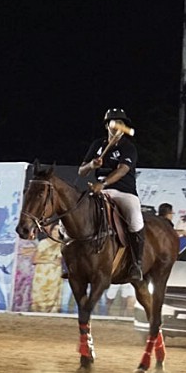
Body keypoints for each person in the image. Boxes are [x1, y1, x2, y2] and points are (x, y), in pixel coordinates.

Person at [79, 108, 144, 281]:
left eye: (120, 123)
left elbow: (123, 170)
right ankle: (72, 260)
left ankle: (136, 264)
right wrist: (92, 165)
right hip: (98, 190)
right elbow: (81, 171)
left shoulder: (128, 147)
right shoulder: (97, 145)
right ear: (107, 125)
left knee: (135, 219)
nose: (116, 126)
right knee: (75, 212)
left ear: (124, 127)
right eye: (113, 123)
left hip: (123, 191)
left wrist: (104, 183)